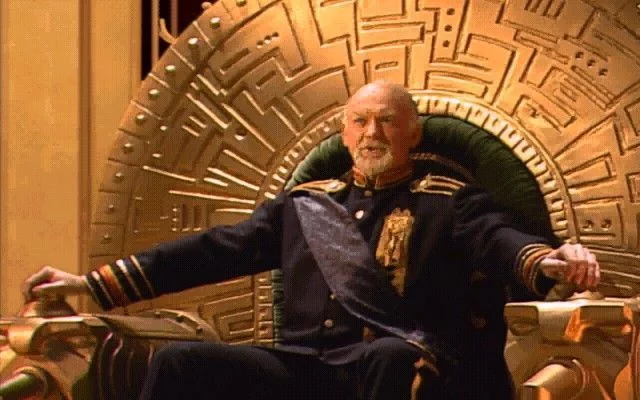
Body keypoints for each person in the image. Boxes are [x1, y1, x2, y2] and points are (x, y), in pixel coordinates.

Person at [22, 81, 600, 400]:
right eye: (360, 121)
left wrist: (551, 259)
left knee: (391, 358)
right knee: (179, 363)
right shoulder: (306, 204)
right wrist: (89, 285)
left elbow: (501, 240)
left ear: (413, 134)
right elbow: (212, 250)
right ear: (345, 134)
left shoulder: (447, 200)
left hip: (405, 363)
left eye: (387, 121)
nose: (372, 132)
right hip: (305, 366)